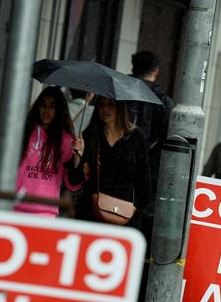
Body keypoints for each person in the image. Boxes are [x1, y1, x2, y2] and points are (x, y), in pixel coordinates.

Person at [76, 95, 151, 231]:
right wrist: (77, 157)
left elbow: (144, 181)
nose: (105, 109)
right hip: (91, 214)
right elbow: (74, 180)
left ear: (121, 107)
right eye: (101, 105)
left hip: (126, 215)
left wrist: (137, 208)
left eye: (111, 104)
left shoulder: (136, 137)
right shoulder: (90, 135)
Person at [14, 86, 86, 217]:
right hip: (16, 207)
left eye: (52, 106)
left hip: (46, 212)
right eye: (43, 105)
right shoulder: (24, 133)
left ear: (59, 110)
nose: (46, 110)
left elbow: (73, 183)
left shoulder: (67, 140)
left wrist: (77, 157)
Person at [128, 51, 174, 190]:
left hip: (114, 160)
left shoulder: (118, 91)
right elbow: (167, 137)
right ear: (156, 71)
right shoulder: (164, 101)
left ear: (133, 69)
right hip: (149, 166)